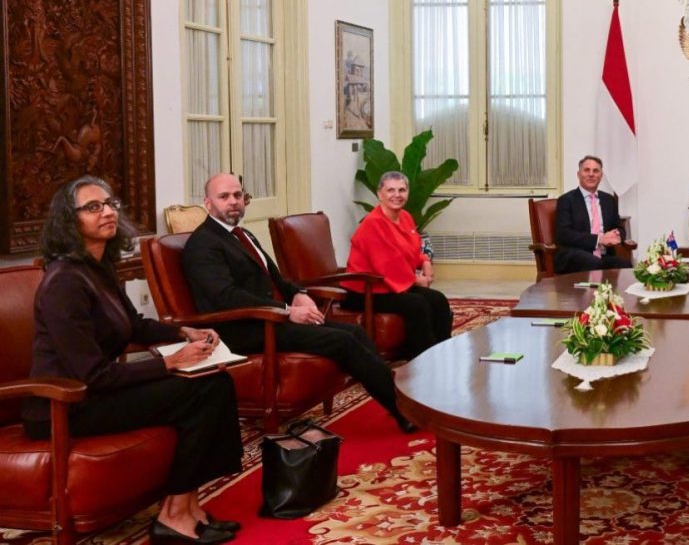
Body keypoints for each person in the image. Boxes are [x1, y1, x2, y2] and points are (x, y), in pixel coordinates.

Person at [22, 176, 242, 544]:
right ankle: (174, 514)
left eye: (110, 204)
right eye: (92, 207)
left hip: (97, 391)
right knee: (200, 391)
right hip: (65, 405)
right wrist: (170, 363)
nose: (107, 212)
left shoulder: (97, 269)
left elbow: (133, 325)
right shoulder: (63, 282)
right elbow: (93, 375)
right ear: (68, 220)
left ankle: (187, 505)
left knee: (214, 380)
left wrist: (181, 332)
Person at [182, 173, 416, 434]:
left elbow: (276, 278)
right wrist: (287, 311)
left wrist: (299, 293)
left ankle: (403, 403)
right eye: (224, 197)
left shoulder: (243, 234)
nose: (233, 202)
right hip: (240, 328)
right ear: (208, 203)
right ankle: (403, 411)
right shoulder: (203, 244)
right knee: (343, 341)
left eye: (237, 195)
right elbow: (226, 296)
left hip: (268, 318)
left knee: (355, 332)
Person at [341, 171, 453, 359]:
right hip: (365, 291)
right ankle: (421, 360)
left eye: (402, 190)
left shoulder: (405, 217)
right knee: (417, 304)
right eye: (391, 190)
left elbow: (410, 250)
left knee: (438, 299)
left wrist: (424, 261)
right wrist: (416, 281)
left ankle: (441, 354)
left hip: (390, 286)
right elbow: (386, 265)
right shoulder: (373, 224)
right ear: (380, 194)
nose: (397, 195)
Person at [554, 155, 631, 274]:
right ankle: (596, 293)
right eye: (586, 170)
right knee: (594, 263)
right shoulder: (566, 200)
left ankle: (615, 293)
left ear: (601, 176)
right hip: (575, 254)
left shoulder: (608, 200)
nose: (591, 174)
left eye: (596, 171)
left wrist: (615, 235)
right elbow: (564, 234)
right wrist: (599, 239)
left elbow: (620, 228)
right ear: (579, 174)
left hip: (604, 255)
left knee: (625, 265)